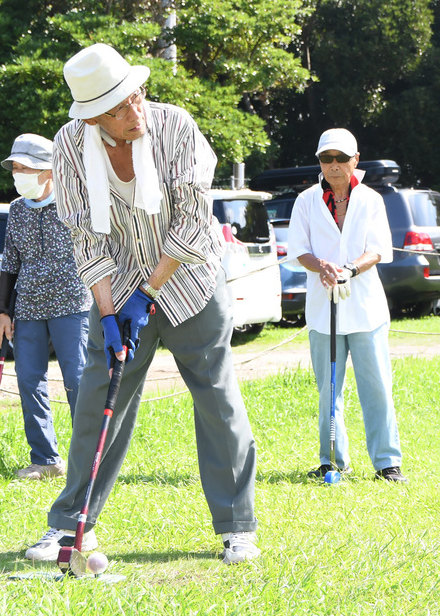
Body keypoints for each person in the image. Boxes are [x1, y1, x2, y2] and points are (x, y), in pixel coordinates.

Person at [25, 43, 259, 564]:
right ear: (92, 117)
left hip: (190, 281)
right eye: (119, 108)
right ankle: (71, 528)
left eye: (138, 98)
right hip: (119, 287)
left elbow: (195, 222)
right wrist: (109, 313)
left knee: (217, 399)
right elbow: (85, 238)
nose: (136, 113)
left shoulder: (175, 127)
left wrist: (147, 295)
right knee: (96, 402)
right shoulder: (69, 145)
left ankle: (237, 525)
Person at [287, 128, 406, 482]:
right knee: (328, 389)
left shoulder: (371, 199)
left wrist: (350, 268)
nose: (334, 165)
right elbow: (298, 250)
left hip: (366, 308)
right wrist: (321, 266)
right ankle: (332, 461)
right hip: (324, 311)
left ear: (356, 160)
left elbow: (379, 249)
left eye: (341, 158)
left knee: (378, 387)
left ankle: (387, 463)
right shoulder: (306, 200)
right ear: (320, 162)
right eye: (327, 159)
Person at [0, 133, 92, 480]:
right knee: (28, 380)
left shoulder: (74, 204)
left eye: (26, 169)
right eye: (15, 169)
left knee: (78, 380)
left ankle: (90, 460)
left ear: (49, 171)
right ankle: (46, 460)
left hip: (72, 304)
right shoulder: (17, 209)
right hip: (29, 308)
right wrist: (2, 310)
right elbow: (10, 262)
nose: (18, 174)